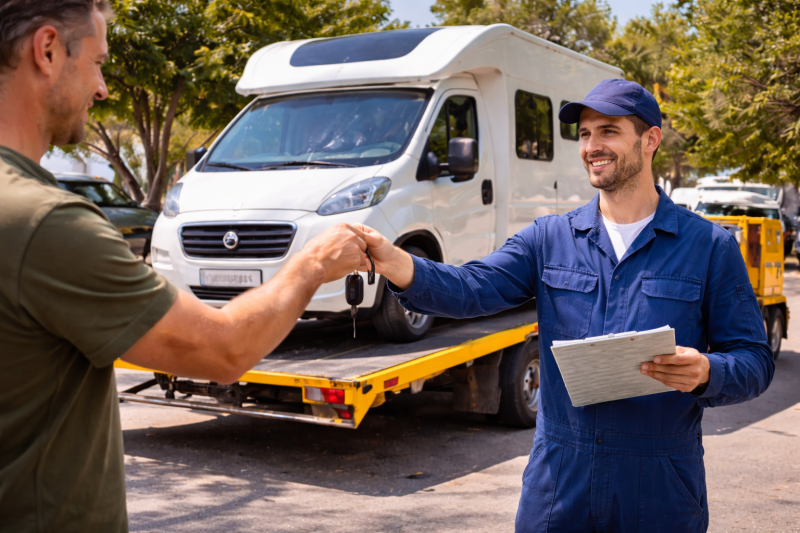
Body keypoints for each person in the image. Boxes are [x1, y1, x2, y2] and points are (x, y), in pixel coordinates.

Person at [0, 2, 365, 531]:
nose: (102, 89)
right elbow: (222, 350)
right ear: (49, 50)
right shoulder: (42, 222)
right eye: (98, 63)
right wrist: (311, 264)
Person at [352, 79, 774, 532]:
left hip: (660, 488)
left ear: (650, 140)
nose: (593, 145)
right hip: (559, 487)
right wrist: (394, 260)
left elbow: (754, 359)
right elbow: (470, 288)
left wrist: (708, 372)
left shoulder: (708, 247)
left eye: (608, 131)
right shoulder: (548, 239)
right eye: (585, 134)